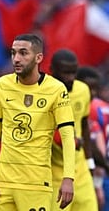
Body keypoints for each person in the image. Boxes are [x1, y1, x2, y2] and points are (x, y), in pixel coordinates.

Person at [0, 33, 76, 211]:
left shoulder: (56, 89)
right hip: (2, 183)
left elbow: (67, 135)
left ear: (38, 57)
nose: (16, 59)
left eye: (23, 53)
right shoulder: (1, 85)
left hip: (36, 184)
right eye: (13, 53)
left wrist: (68, 178)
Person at [49, 49, 98, 211]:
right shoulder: (44, 93)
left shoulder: (83, 90)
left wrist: (90, 163)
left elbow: (84, 125)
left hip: (81, 171)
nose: (71, 78)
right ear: (52, 70)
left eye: (73, 73)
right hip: (54, 173)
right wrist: (69, 141)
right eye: (65, 73)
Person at [77, 66, 109, 210]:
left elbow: (98, 147)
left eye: (95, 89)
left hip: (93, 178)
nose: (92, 93)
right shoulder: (98, 107)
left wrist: (98, 184)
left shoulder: (92, 109)